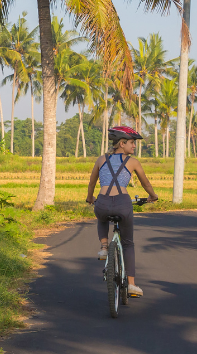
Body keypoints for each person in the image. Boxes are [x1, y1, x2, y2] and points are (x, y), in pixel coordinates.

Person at [85, 125, 160, 298]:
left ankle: (104, 247)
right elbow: (146, 183)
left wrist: (90, 198)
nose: (134, 146)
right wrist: (153, 196)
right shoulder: (133, 162)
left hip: (102, 201)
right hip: (123, 204)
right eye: (132, 143)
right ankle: (131, 284)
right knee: (128, 244)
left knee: (101, 215)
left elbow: (91, 183)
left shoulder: (101, 159)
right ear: (121, 143)